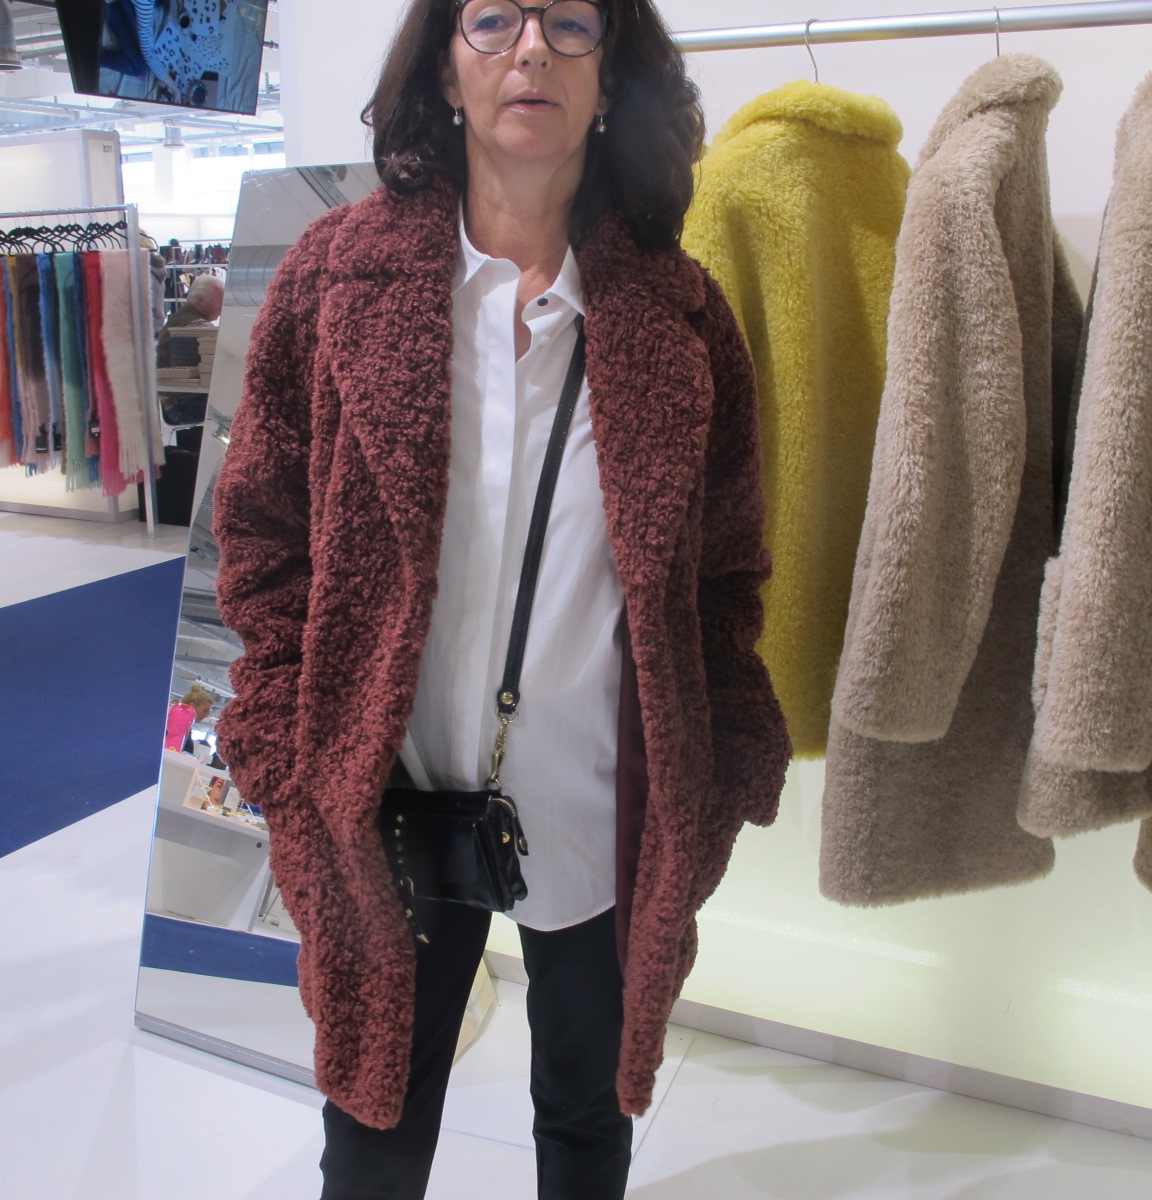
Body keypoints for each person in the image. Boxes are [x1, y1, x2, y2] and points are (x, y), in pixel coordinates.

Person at [211, 1, 790, 1197]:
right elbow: (262, 531)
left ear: (611, 76)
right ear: (445, 69)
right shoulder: (337, 280)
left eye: (571, 22)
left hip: (601, 810)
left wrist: (721, 759)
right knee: (371, 1133)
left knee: (586, 1118)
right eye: (493, 19)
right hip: (386, 803)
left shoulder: (679, 318)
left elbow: (727, 573)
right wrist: (278, 737)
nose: (532, 48)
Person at [155, 273, 224, 367]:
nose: (222, 308)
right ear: (200, 300)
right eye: (219, 302)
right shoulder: (195, 326)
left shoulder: (180, 318)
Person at [164, 686, 214, 753]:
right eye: (205, 711)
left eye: (208, 712)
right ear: (192, 706)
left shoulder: (186, 731)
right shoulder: (174, 728)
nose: (206, 715)